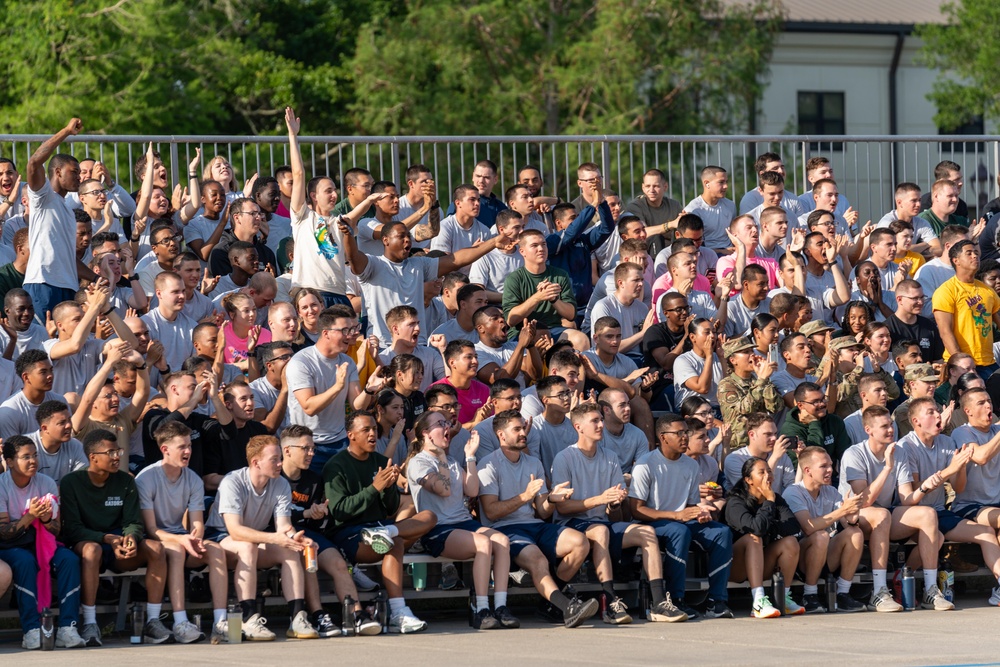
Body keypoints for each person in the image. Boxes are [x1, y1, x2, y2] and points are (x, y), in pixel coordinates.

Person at [550, 403, 680, 624]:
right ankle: (611, 602)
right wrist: (600, 499)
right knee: (600, 531)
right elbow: (562, 508)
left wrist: (615, 504)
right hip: (572, 524)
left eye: (601, 419)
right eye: (595, 421)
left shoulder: (610, 457)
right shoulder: (564, 457)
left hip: (602, 523)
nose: (601, 425)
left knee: (647, 533)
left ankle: (659, 603)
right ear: (578, 427)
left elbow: (614, 516)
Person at [478, 410, 600, 627]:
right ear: (501, 435)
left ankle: (551, 603)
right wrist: (524, 496)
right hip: (504, 528)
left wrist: (552, 499)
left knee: (581, 543)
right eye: (516, 429)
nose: (523, 433)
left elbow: (543, 512)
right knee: (538, 560)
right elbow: (491, 512)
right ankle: (567, 606)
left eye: (523, 428)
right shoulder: (488, 464)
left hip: (534, 525)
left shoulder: (534, 463)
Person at [323, 411, 437, 634]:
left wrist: (388, 488)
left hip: (380, 527)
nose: (372, 434)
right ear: (351, 435)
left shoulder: (381, 461)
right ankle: (398, 611)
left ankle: (388, 531)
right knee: (394, 544)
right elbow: (340, 511)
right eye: (366, 430)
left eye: (374, 429)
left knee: (429, 516)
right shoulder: (336, 465)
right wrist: (375, 488)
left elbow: (391, 508)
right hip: (350, 534)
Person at [405, 411, 519, 629]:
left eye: (446, 423)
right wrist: (440, 456)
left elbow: (473, 490)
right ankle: (481, 608)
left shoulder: (451, 461)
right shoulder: (419, 463)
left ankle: (501, 606)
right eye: (440, 424)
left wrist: (469, 456)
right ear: (426, 433)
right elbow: (444, 490)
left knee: (502, 541)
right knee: (483, 543)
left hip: (464, 524)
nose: (447, 427)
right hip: (438, 528)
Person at [60, 429, 170, 645]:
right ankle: (90, 623)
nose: (117, 457)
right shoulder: (71, 482)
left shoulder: (126, 481)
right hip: (90, 545)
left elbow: (133, 522)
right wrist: (106, 538)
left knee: (157, 548)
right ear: (93, 457)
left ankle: (153, 621)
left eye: (118, 451)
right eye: (111, 453)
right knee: (92, 550)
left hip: (119, 547)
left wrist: (131, 538)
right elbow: (72, 529)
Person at [204, 435, 319, 640]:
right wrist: (275, 538)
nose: (280, 463)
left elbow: (283, 526)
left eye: (280, 458)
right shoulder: (232, 482)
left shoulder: (281, 483)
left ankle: (297, 619)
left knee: (290, 549)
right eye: (274, 459)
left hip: (255, 539)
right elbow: (235, 530)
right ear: (256, 462)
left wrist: (296, 538)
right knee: (247, 547)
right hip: (220, 538)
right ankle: (249, 618)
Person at [279, 425, 381, 638]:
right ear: (287, 450)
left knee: (338, 563)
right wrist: (305, 514)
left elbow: (318, 522)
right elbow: (275, 516)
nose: (311, 454)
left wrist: (318, 515)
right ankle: (318, 615)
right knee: (308, 556)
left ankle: (357, 614)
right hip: (281, 534)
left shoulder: (314, 480)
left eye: (313, 449)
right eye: (305, 448)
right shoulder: (274, 477)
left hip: (309, 534)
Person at [896, 397, 997, 609]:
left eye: (937, 411)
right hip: (911, 513)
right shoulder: (905, 446)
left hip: (939, 511)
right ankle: (905, 578)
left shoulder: (947, 442)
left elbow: (958, 488)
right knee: (936, 535)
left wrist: (960, 468)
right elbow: (914, 491)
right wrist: (950, 470)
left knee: (986, 532)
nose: (938, 416)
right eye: (931, 412)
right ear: (916, 421)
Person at [629, 413, 733, 619]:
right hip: (652, 523)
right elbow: (637, 510)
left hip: (682, 521)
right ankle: (675, 599)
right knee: (679, 531)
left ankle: (716, 601)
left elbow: (691, 506)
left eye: (686, 432)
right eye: (679, 433)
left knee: (721, 533)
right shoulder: (645, 464)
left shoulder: (691, 465)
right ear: (663, 437)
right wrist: (677, 515)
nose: (685, 437)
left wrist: (699, 514)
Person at [136, 422, 229, 644]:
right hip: (157, 540)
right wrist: (183, 539)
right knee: (177, 550)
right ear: (165, 449)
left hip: (182, 536)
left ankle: (220, 622)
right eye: (182, 447)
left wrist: (195, 538)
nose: (188, 451)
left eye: (189, 445)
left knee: (216, 550)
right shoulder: (146, 478)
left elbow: (197, 523)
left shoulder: (193, 478)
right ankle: (180, 622)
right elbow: (151, 529)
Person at [0, 435, 87, 650]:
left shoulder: (46, 482)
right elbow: (3, 533)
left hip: (43, 543)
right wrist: (30, 516)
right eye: (26, 457)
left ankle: (67, 628)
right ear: (10, 462)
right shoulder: (2, 485)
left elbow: (56, 531)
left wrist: (47, 519)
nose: (33, 461)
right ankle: (31, 630)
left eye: (35, 455)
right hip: (11, 546)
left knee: (69, 560)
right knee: (25, 562)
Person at [286, 305, 372, 472]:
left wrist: (369, 389)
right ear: (326, 333)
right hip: (307, 443)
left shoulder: (347, 361)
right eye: (345, 330)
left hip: (339, 441)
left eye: (352, 329)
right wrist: (338, 386)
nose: (350, 335)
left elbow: (357, 406)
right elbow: (309, 407)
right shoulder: (301, 362)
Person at [783, 447, 867, 613]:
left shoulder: (831, 492)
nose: (830, 470)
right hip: (800, 560)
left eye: (830, 464)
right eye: (823, 466)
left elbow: (847, 523)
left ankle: (843, 593)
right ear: (807, 470)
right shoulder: (793, 492)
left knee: (855, 533)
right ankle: (809, 595)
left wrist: (852, 516)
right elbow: (808, 527)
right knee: (820, 536)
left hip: (826, 555)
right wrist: (843, 511)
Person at [724, 456, 804, 618]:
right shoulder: (736, 502)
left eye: (769, 471)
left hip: (761, 564)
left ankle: (783, 597)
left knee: (790, 542)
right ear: (749, 480)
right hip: (734, 567)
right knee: (754, 538)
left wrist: (769, 528)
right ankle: (758, 602)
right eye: (762, 472)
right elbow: (756, 529)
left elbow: (794, 528)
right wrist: (769, 501)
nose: (768, 476)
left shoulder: (776, 498)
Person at [23, 118, 85, 317]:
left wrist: (96, 277)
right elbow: (33, 163)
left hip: (68, 287)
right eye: (74, 172)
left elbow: (69, 258)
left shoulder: (68, 210)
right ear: (58, 172)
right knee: (43, 337)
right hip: (43, 284)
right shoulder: (43, 196)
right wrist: (66, 131)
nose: (79, 177)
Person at [933, 240, 1000, 379]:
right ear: (956, 260)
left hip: (989, 362)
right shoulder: (946, 291)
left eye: (976, 252)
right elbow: (945, 332)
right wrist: (962, 365)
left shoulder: (987, 290)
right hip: (963, 366)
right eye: (969, 253)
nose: (975, 256)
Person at [717, 337, 782, 450]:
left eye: (752, 351)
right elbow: (745, 408)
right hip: (740, 446)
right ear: (733, 360)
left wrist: (765, 378)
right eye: (746, 352)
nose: (752, 355)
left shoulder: (758, 380)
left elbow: (776, 406)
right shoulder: (727, 384)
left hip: (761, 443)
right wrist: (762, 379)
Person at [780, 382, 851, 475]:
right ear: (800, 405)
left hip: (832, 477)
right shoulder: (790, 430)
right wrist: (814, 423)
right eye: (816, 402)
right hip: (804, 478)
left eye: (823, 399)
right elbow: (811, 459)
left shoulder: (834, 421)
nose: (822, 404)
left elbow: (845, 454)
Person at [724, 413, 796, 494]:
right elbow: (751, 492)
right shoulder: (735, 459)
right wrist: (774, 458)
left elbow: (792, 487)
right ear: (752, 435)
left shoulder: (781, 455)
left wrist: (801, 460)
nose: (774, 438)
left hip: (776, 501)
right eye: (768, 434)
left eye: (775, 433)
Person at [886, 280, 944, 363]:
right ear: (899, 299)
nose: (920, 302)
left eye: (922, 297)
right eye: (915, 298)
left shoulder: (929, 326)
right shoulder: (888, 329)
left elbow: (938, 360)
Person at [30, 400, 87, 484]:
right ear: (45, 428)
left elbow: (81, 481)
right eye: (62, 423)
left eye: (69, 420)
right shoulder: (27, 447)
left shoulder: (75, 446)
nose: (69, 425)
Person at [596, 388, 647, 480]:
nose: (628, 408)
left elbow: (643, 469)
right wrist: (622, 479)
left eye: (628, 403)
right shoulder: (596, 435)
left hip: (631, 483)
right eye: (622, 405)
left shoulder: (638, 434)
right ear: (606, 410)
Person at [877, 182, 940, 257]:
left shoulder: (921, 222)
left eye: (919, 200)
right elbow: (890, 251)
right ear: (899, 202)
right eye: (914, 200)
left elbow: (938, 248)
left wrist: (911, 252)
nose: (918, 204)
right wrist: (924, 245)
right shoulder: (887, 223)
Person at [683, 165, 735, 251]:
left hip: (731, 252)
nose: (726, 186)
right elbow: (692, 245)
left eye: (726, 182)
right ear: (707, 184)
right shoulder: (693, 210)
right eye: (721, 182)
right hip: (705, 254)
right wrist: (722, 251)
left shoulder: (730, 205)